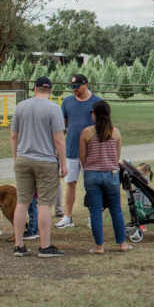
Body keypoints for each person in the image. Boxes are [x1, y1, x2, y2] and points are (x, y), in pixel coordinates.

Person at [11, 77, 67, 258]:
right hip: (46, 161)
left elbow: (14, 137)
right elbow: (58, 139)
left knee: (22, 203)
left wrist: (16, 158)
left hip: (23, 159)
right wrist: (63, 163)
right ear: (50, 90)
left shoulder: (20, 106)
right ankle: (44, 247)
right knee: (44, 204)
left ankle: (19, 246)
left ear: (34, 88)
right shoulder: (54, 109)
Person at [79, 101, 131, 254]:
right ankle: (122, 244)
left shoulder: (86, 133)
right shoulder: (115, 132)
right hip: (111, 175)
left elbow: (83, 157)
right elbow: (118, 157)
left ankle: (99, 247)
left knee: (95, 211)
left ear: (93, 114)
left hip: (92, 174)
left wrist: (90, 168)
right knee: (116, 210)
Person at [55, 73, 103, 230]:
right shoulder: (67, 101)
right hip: (71, 150)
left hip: (91, 152)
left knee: (92, 185)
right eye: (72, 87)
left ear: (86, 85)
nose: (74, 89)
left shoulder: (97, 102)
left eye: (77, 86)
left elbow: (104, 126)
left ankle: (93, 217)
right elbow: (63, 125)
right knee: (70, 183)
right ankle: (67, 217)